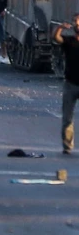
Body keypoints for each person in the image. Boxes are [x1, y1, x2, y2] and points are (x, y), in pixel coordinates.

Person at [52, 15, 79, 155]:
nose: (77, 23)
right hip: (70, 84)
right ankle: (67, 145)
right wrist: (60, 28)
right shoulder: (69, 41)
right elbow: (56, 38)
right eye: (75, 21)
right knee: (67, 118)